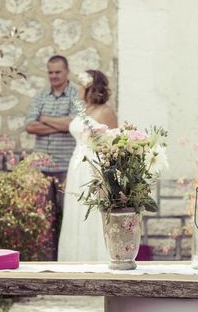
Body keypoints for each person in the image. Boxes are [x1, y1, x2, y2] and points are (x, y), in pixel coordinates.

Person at [58, 69, 118, 262]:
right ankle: (74, 260)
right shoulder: (84, 110)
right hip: (77, 166)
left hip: (94, 168)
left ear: (89, 86)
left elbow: (113, 144)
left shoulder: (106, 111)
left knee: (91, 213)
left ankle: (96, 260)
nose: (76, 87)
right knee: (75, 212)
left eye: (79, 84)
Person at [25, 55, 81, 259]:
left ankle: (64, 258)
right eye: (50, 72)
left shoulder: (76, 95)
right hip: (41, 167)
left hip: (65, 167)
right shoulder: (40, 96)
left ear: (67, 72)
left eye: (58, 72)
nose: (54, 76)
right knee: (44, 218)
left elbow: (73, 125)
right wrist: (61, 124)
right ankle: (46, 259)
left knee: (66, 216)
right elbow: (30, 126)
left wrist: (45, 119)